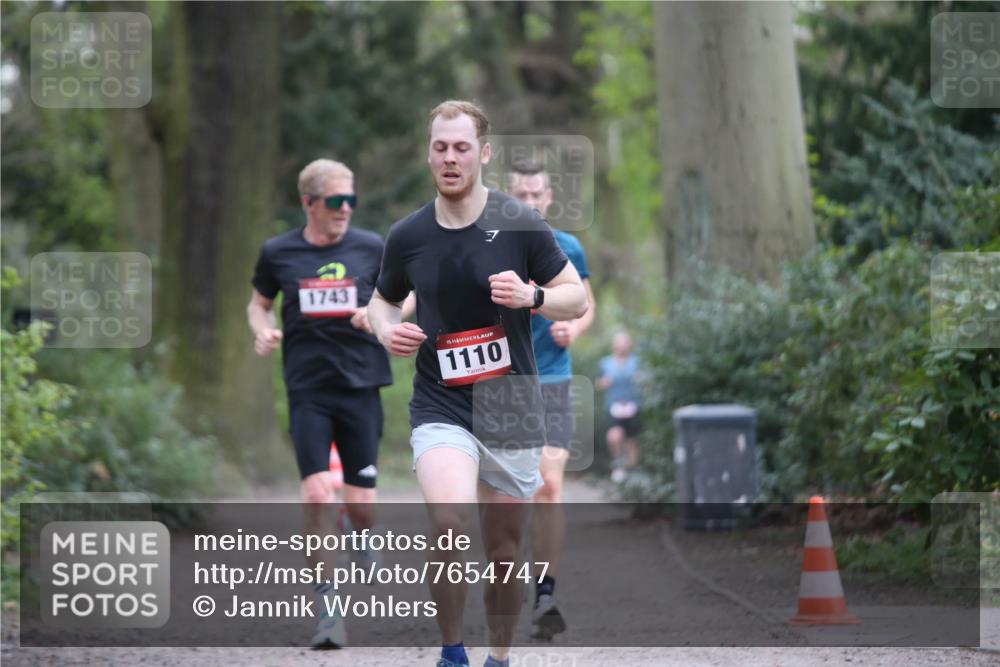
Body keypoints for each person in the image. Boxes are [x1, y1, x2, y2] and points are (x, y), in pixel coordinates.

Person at [368, 101, 587, 667]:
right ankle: (451, 653)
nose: (449, 157)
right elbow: (381, 302)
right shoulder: (409, 234)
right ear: (429, 153)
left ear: (483, 154)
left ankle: (499, 656)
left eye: (461, 147)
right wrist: (387, 330)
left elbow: (576, 296)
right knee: (447, 522)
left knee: (504, 550)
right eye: (440, 147)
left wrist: (534, 297)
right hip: (441, 402)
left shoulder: (521, 222)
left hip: (511, 403)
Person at [247, 158, 404, 648]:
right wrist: (262, 332)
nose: (345, 210)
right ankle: (329, 612)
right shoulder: (278, 252)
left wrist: (376, 317)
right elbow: (258, 303)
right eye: (335, 201)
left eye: (350, 200)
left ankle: (359, 534)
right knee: (316, 494)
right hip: (307, 388)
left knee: (361, 509)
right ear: (308, 203)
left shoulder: (371, 246)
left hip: (361, 387)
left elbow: (403, 298)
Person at [505, 160, 595, 639]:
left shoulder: (568, 247)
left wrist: (572, 327)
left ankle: (545, 592)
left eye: (536, 194)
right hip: (504, 383)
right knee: (506, 493)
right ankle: (508, 577)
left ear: (549, 199)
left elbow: (585, 301)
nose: (530, 202)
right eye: (520, 194)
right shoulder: (491, 246)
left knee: (548, 486)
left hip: (554, 380)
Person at [597, 331, 643, 483]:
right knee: (614, 436)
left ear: (629, 345)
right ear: (614, 345)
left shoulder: (636, 362)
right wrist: (604, 383)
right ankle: (618, 465)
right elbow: (598, 383)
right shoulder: (606, 363)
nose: (622, 346)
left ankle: (633, 471)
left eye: (625, 343)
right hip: (614, 405)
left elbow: (647, 381)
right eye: (619, 343)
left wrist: (641, 380)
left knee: (631, 440)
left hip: (633, 405)